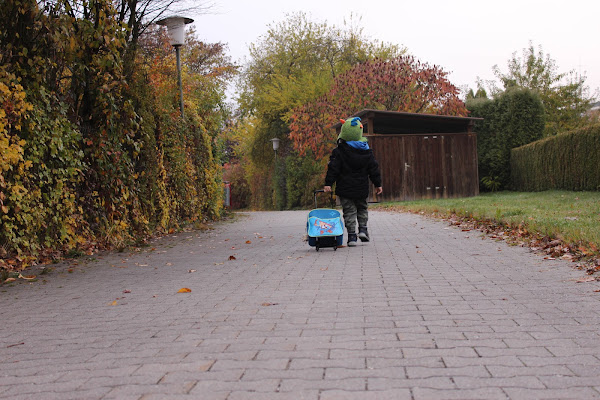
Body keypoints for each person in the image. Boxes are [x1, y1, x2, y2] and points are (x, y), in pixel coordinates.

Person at [323, 116, 383, 247]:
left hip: (345, 189)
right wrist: (377, 184)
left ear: (343, 133)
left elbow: (333, 168)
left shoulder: (339, 151)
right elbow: (373, 168)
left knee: (349, 211)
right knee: (362, 208)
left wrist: (328, 183)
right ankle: (363, 229)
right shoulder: (366, 151)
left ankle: (351, 237)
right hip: (361, 188)